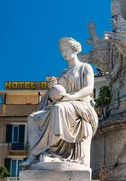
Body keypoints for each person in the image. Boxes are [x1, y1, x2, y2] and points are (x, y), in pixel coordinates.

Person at [21, 37, 98, 168]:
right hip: (63, 103)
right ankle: (34, 155)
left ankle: (51, 151)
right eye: (61, 50)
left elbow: (89, 88)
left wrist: (70, 97)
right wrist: (53, 87)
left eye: (66, 49)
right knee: (33, 118)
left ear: (74, 49)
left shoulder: (85, 68)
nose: (63, 52)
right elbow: (57, 94)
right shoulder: (63, 73)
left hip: (80, 104)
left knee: (59, 109)